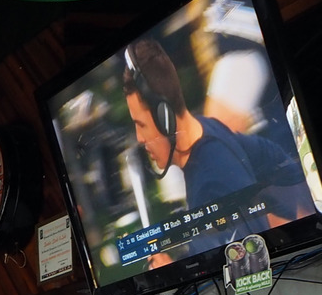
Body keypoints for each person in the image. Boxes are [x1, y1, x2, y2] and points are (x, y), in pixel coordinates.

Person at [123, 38, 307, 218]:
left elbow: (243, 66)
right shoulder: (214, 134)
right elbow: (274, 160)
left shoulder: (212, 181)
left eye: (141, 125)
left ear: (165, 118)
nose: (139, 138)